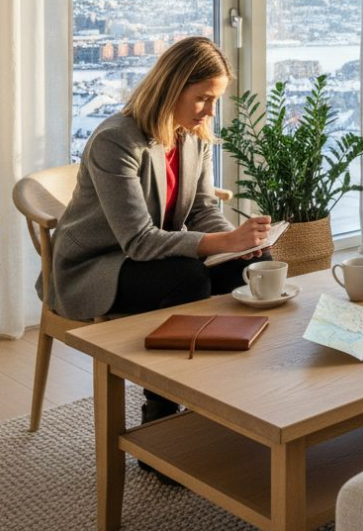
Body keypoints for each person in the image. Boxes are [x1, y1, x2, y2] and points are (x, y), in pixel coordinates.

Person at [48, 37, 273, 445]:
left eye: (215, 100)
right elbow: (137, 240)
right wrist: (220, 243)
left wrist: (238, 243)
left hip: (153, 254)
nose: (210, 110)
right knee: (187, 279)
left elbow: (203, 209)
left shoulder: (194, 135)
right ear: (172, 86)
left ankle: (226, 390)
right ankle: (162, 409)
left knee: (251, 265)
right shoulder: (115, 141)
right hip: (99, 266)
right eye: (203, 98)